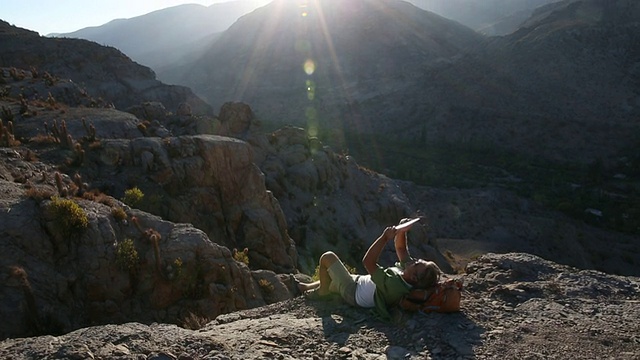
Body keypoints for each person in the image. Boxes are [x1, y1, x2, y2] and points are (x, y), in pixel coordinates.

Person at [297, 218, 442, 320]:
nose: (414, 261)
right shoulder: (407, 276)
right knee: (332, 278)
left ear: (415, 277)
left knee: (327, 257)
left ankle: (322, 293)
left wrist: (384, 238)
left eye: (417, 264)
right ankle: (306, 287)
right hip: (358, 281)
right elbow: (401, 248)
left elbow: (368, 262)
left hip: (353, 292)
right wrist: (402, 230)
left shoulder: (394, 284)